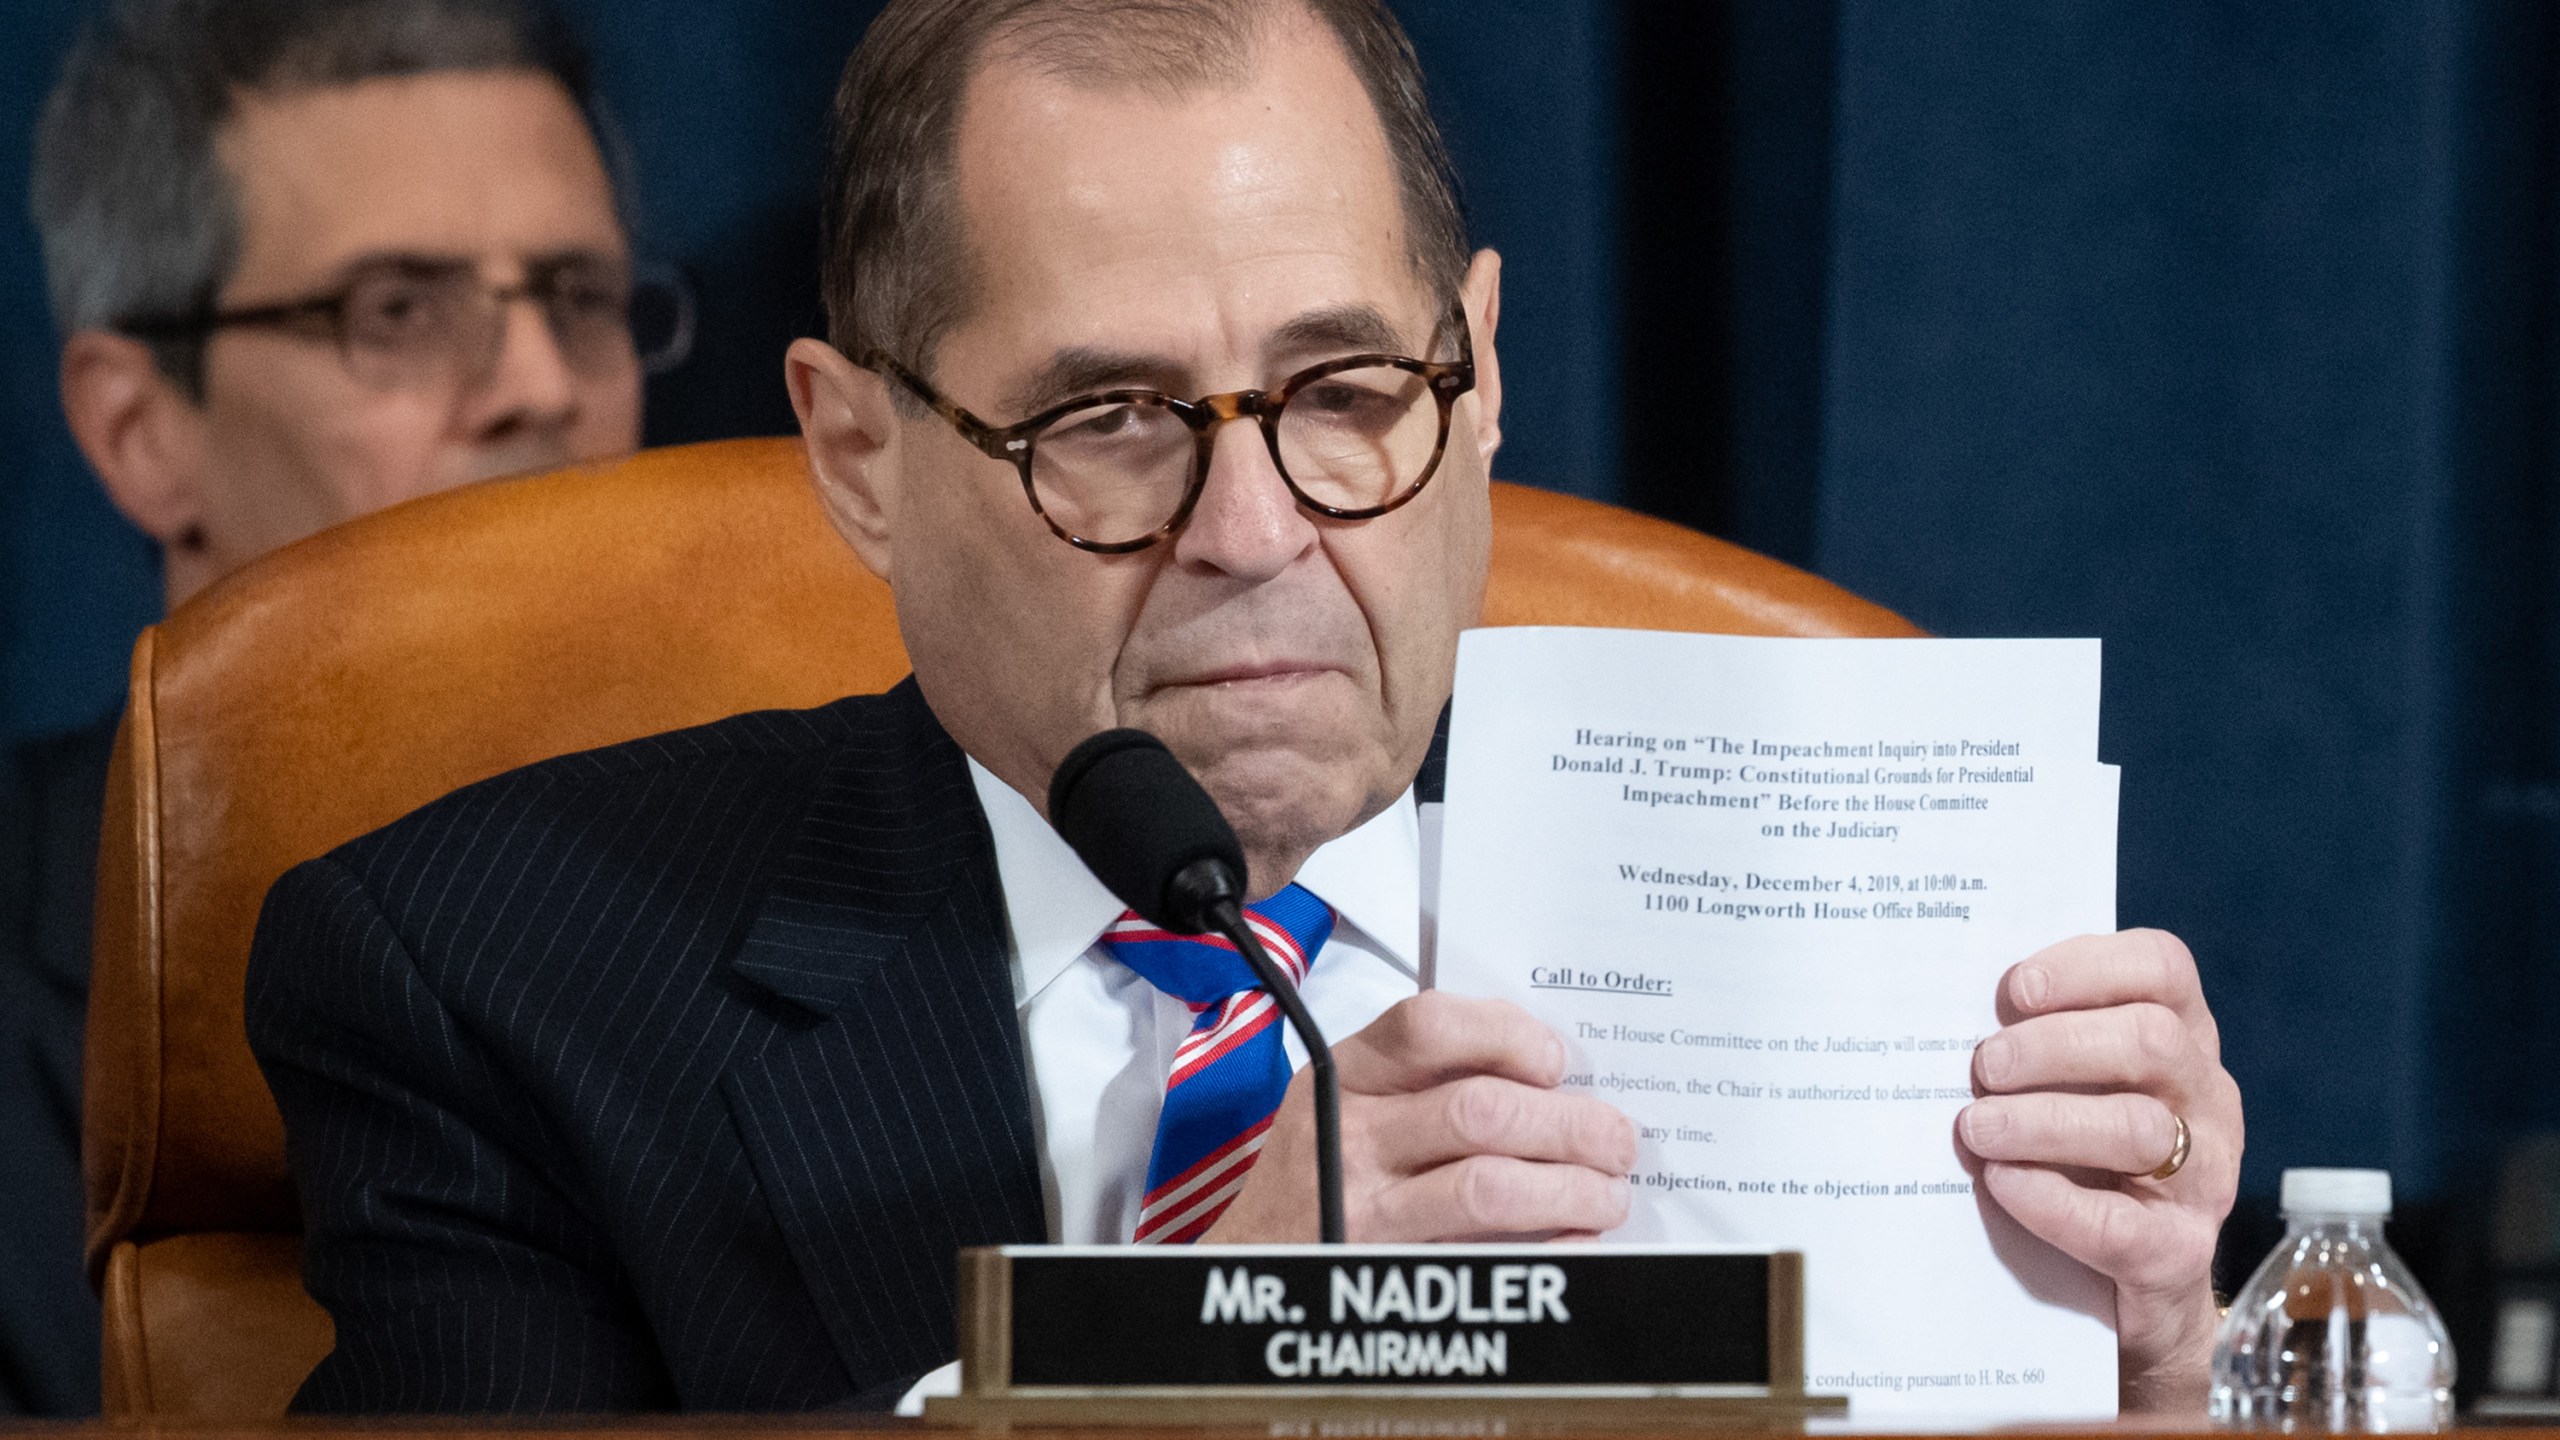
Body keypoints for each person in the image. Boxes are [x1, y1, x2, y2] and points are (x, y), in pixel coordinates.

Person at [246, 0, 2245, 1417]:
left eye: (1345, 393)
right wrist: (1169, 1346)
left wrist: (2154, 1379)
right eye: (1109, 422)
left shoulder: (1848, 935)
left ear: (1474, 367)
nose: (1253, 529)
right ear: (858, 453)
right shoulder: (488, 973)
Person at [4, 0, 651, 1414]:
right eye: (399, 313)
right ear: (141, 430)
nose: (541, 388)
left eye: (581, 298)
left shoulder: (822, 907)